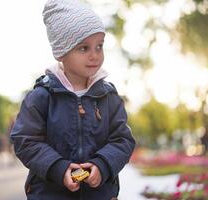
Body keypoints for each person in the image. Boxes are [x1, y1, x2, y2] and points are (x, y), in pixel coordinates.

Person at [10, 0, 136, 199]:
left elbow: (122, 140)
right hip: (50, 192)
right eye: (84, 48)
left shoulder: (108, 96)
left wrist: (102, 165)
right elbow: (25, 140)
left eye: (99, 46)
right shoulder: (42, 96)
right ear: (61, 52)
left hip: (99, 193)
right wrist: (58, 168)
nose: (95, 55)